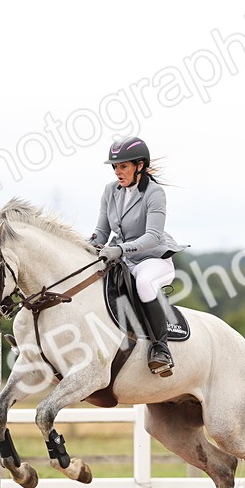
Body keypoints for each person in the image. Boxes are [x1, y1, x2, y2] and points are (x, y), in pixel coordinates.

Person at [90, 136, 186, 376]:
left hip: (152, 259)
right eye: (115, 166)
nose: (117, 172)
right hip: (121, 259)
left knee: (143, 283)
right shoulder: (110, 191)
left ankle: (160, 348)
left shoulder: (155, 193)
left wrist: (120, 249)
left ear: (139, 165)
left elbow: (153, 236)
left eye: (123, 166)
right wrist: (89, 247)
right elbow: (102, 232)